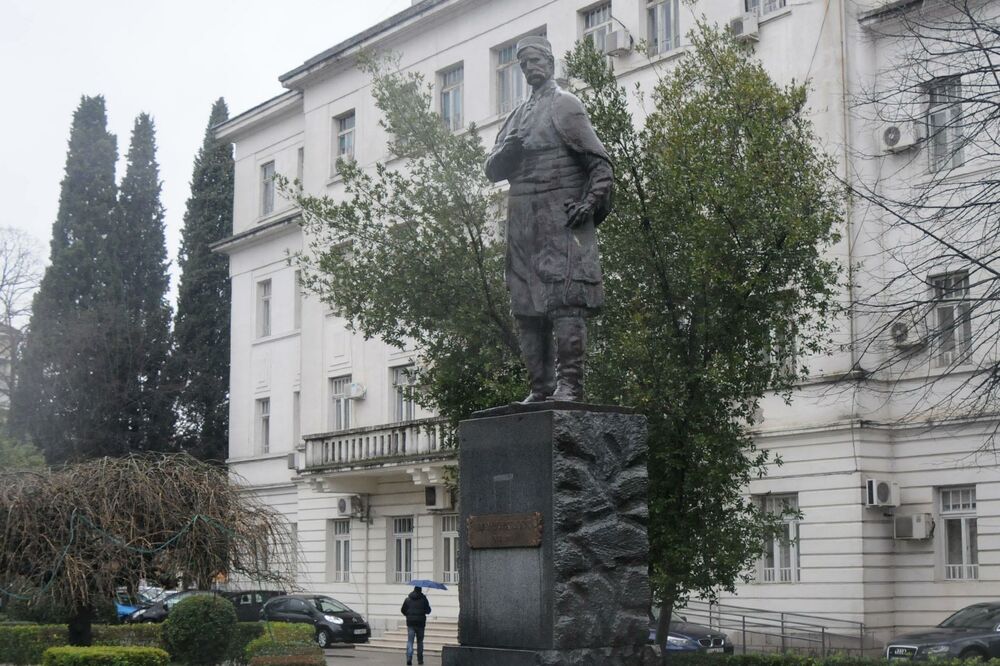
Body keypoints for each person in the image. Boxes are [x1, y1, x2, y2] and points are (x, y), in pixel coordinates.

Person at [485, 35, 613, 403]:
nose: (530, 68)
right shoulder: (514, 118)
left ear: (551, 62)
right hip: (522, 221)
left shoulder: (566, 105)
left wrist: (588, 203)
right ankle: (540, 389)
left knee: (565, 299)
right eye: (523, 64)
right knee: (525, 306)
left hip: (559, 217)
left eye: (536, 60)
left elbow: (600, 164)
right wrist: (508, 151)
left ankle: (570, 386)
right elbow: (492, 170)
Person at [400, 585, 431, 665]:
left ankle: (409, 658)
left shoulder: (408, 600)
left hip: (410, 623)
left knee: (410, 641)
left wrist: (408, 615)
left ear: (413, 590)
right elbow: (428, 611)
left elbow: (403, 610)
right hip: (420, 624)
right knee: (420, 642)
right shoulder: (424, 599)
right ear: (420, 591)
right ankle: (420, 660)